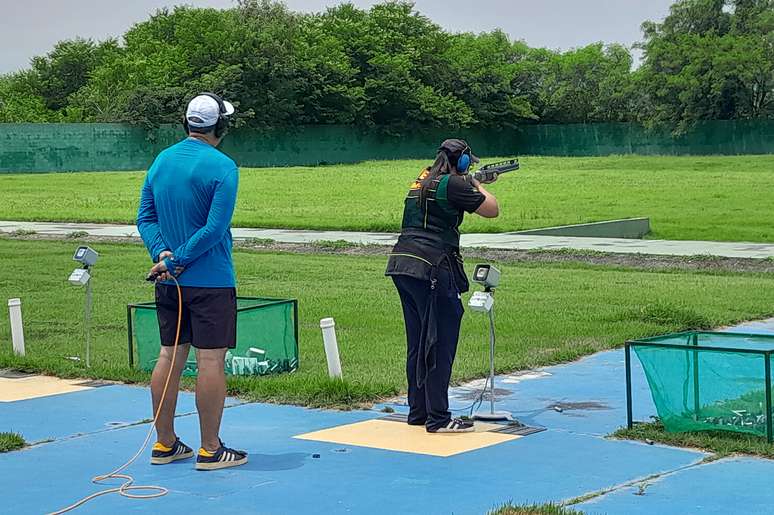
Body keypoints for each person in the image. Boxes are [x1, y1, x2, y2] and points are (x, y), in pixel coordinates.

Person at [136, 92, 247, 470]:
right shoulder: (224, 167)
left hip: (168, 280)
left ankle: (165, 443)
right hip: (210, 280)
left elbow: (145, 218)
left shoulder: (162, 161)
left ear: (186, 124)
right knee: (210, 360)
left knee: (169, 354)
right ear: (220, 126)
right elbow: (215, 228)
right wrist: (180, 258)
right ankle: (210, 448)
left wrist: (163, 256)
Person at [385, 139, 499, 433]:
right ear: (460, 162)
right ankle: (439, 417)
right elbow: (492, 209)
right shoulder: (456, 184)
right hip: (433, 268)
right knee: (440, 342)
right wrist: (478, 184)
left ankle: (418, 411)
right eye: (467, 163)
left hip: (403, 264)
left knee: (418, 341)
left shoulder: (422, 179)